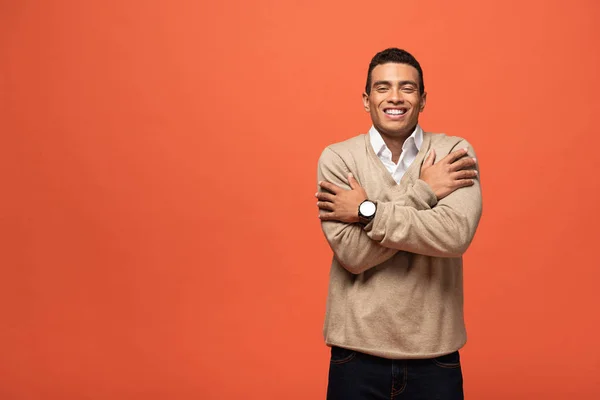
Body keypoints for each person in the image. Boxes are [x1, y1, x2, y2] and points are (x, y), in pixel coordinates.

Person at [315, 48, 483, 400]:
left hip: (435, 358)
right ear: (366, 99)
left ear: (423, 99)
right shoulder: (338, 158)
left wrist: (365, 211)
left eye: (407, 88)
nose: (395, 97)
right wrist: (424, 191)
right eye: (383, 88)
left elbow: (453, 235)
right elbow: (354, 255)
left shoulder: (453, 153)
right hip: (355, 355)